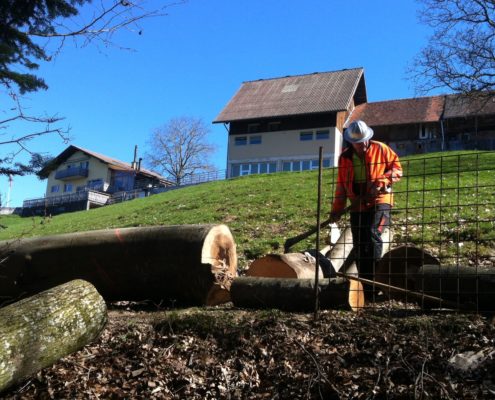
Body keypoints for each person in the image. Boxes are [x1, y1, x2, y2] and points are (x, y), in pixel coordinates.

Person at [330, 120, 402, 299]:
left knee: (372, 237)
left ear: (368, 138)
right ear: (351, 142)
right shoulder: (344, 157)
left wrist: (383, 181)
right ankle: (365, 289)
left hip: (379, 200)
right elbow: (341, 186)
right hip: (357, 205)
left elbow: (397, 169)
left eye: (363, 141)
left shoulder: (381, 149)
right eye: (357, 142)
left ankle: (376, 284)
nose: (361, 145)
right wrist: (336, 210)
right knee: (360, 244)